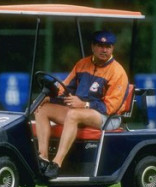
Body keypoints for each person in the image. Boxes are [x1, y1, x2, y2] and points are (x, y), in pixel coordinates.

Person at [34, 30, 129, 178]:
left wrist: (84, 104)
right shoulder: (82, 64)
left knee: (73, 114)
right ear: (93, 47)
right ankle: (43, 158)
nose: (104, 50)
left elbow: (110, 108)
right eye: (100, 45)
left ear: (112, 49)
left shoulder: (118, 72)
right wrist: (49, 98)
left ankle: (56, 164)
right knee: (41, 109)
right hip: (81, 111)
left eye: (108, 46)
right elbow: (65, 89)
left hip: (108, 118)